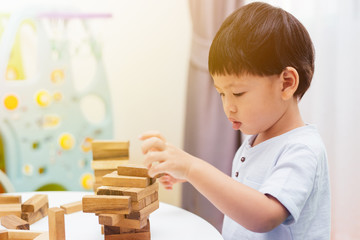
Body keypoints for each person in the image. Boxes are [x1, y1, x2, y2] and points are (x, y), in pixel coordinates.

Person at [139, 2, 331, 239]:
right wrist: (187, 175)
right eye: (222, 93)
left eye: (238, 93)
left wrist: (193, 167)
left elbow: (265, 215)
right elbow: (241, 197)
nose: (228, 106)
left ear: (287, 83)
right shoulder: (256, 141)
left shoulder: (302, 150)